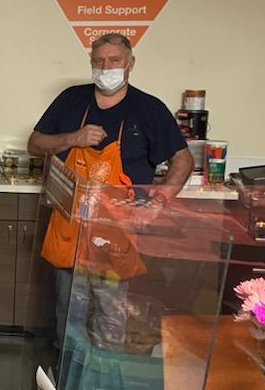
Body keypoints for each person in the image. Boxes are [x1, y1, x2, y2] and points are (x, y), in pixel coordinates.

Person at [27, 32, 192, 349]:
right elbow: (35, 144)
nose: (106, 67)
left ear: (131, 63)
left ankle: (100, 387)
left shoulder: (149, 109)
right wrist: (73, 138)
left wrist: (159, 202)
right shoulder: (71, 99)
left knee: (111, 313)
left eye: (114, 60)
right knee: (68, 311)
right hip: (70, 227)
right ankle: (65, 386)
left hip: (118, 231)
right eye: (98, 61)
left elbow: (182, 159)